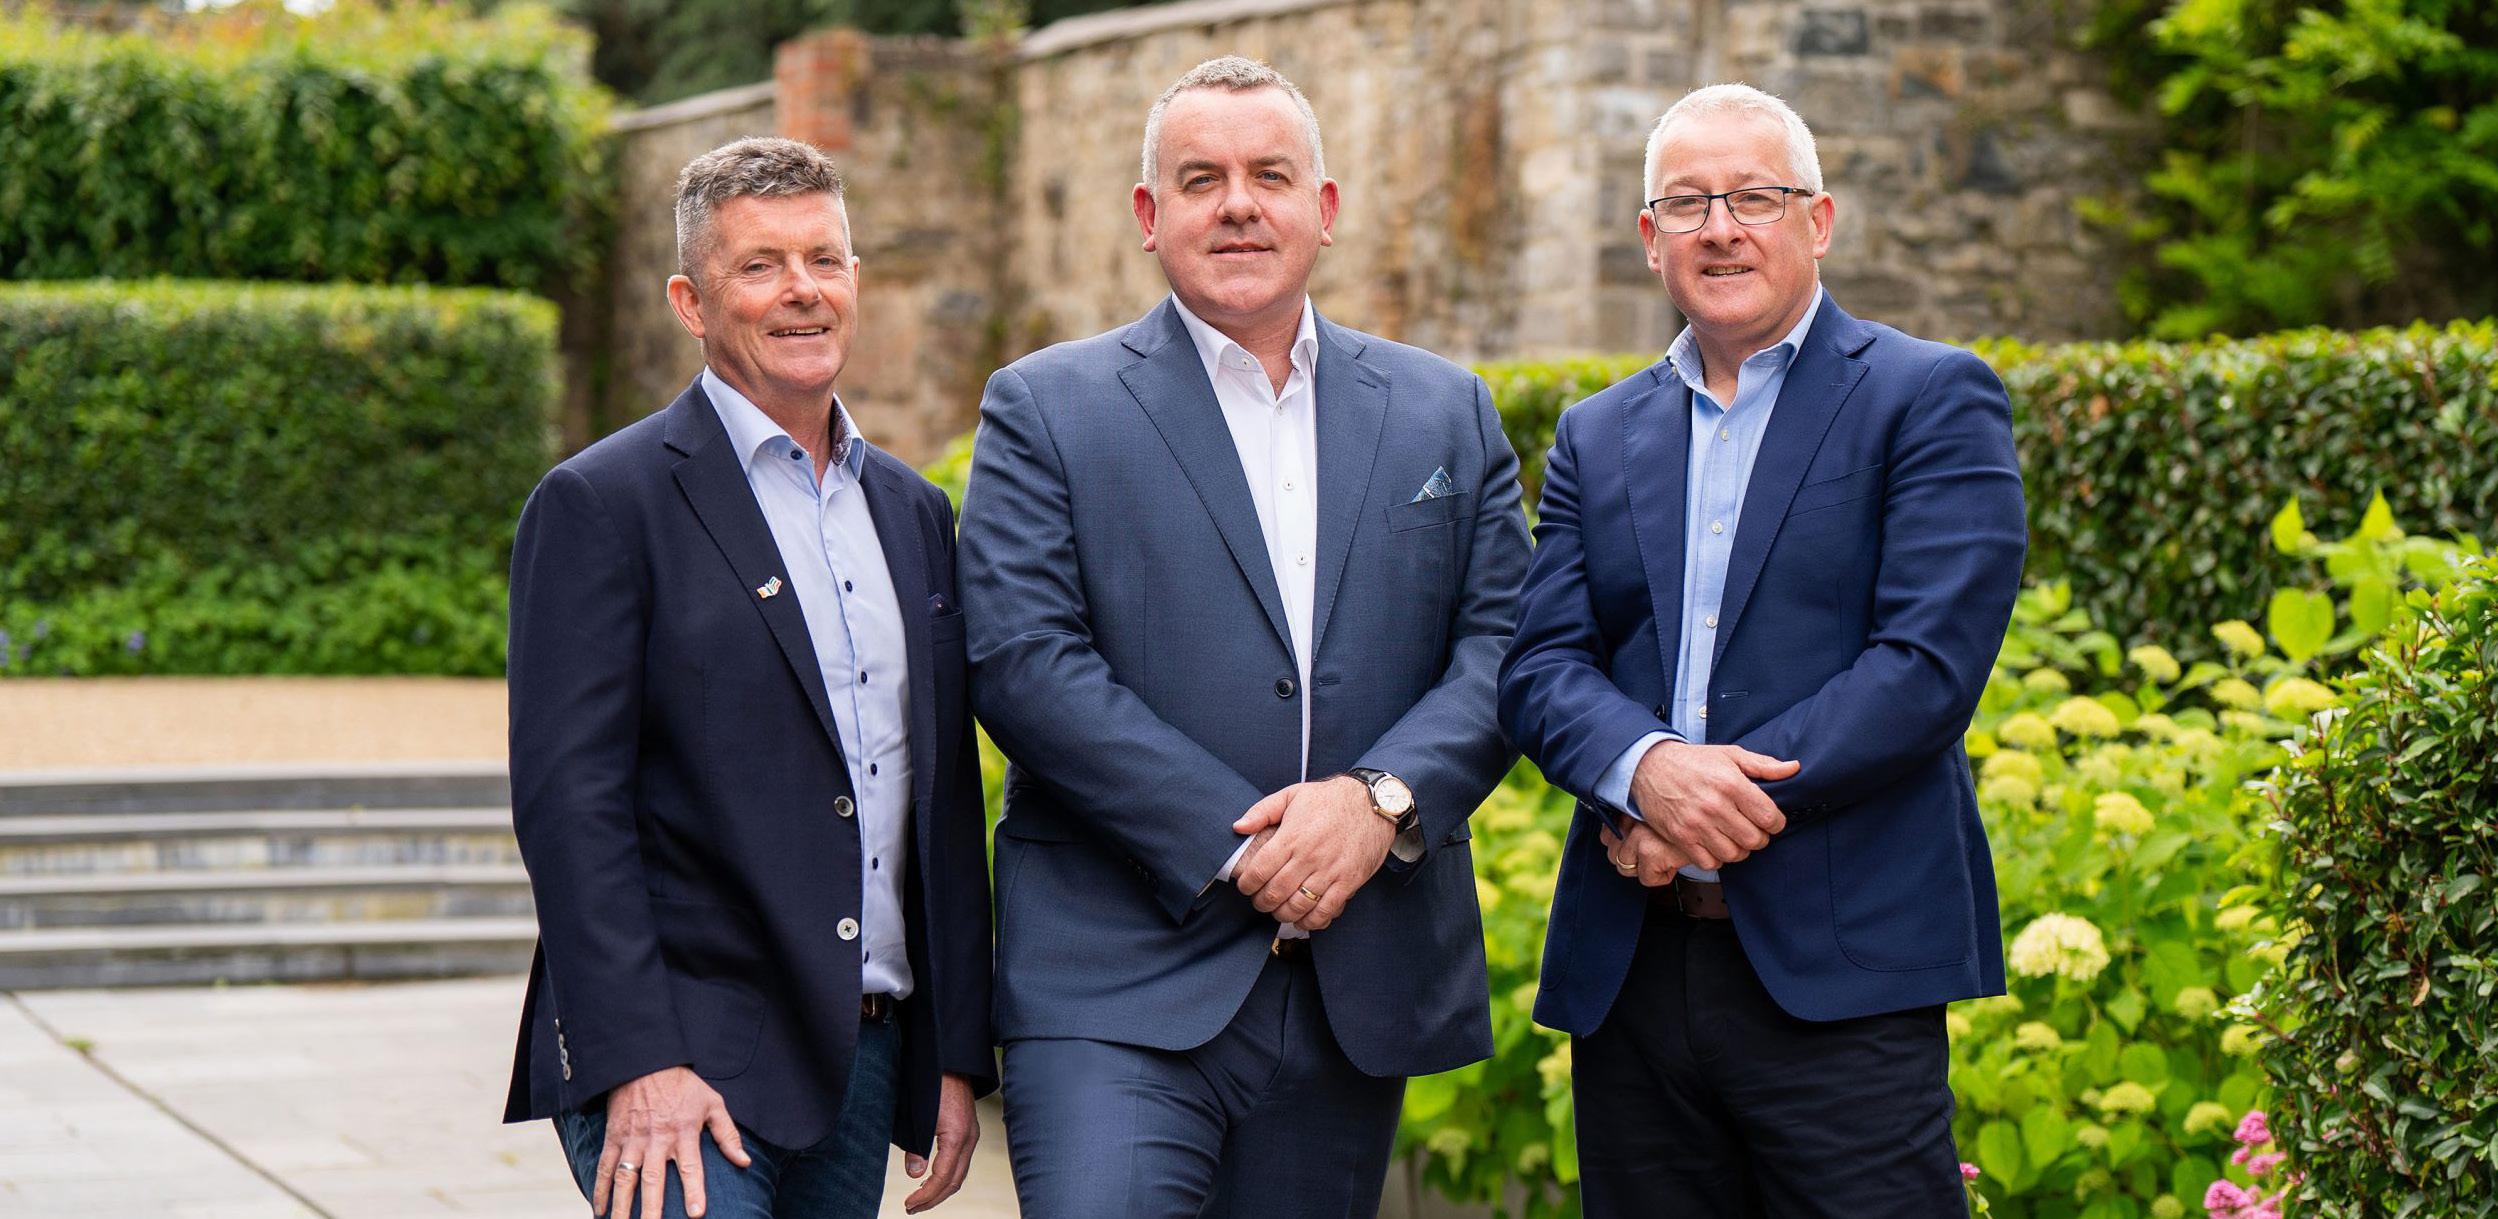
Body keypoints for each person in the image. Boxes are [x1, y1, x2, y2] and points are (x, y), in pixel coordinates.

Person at [957, 55, 1530, 1218]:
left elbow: (1508, 648)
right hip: (1114, 982)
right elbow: (1023, 660)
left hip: (1351, 984)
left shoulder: (1443, 410)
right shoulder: (1044, 408)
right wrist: (1244, 844)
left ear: (1322, 208)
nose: (1236, 204)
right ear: (1147, 214)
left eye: (1269, 175)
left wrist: (1374, 804)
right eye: (1199, 179)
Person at [1496, 83, 2027, 1215]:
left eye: (1753, 197)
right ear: (1650, 240)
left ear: (1817, 221)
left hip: (1842, 976)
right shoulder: (1597, 432)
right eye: (1686, 204)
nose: (1720, 228)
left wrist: (1701, 804)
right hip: (1634, 976)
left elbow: (1924, 667)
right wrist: (1645, 769)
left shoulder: (1927, 397)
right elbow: (1539, 667)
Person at [501, 136, 993, 1219]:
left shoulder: (913, 512)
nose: (801, 290)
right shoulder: (601, 505)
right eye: (760, 265)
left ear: (856, 280)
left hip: (862, 1056)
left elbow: (941, 797)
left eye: (822, 259)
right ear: (691, 301)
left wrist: (954, 1050)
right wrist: (639, 1058)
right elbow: (569, 806)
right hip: (684, 1055)